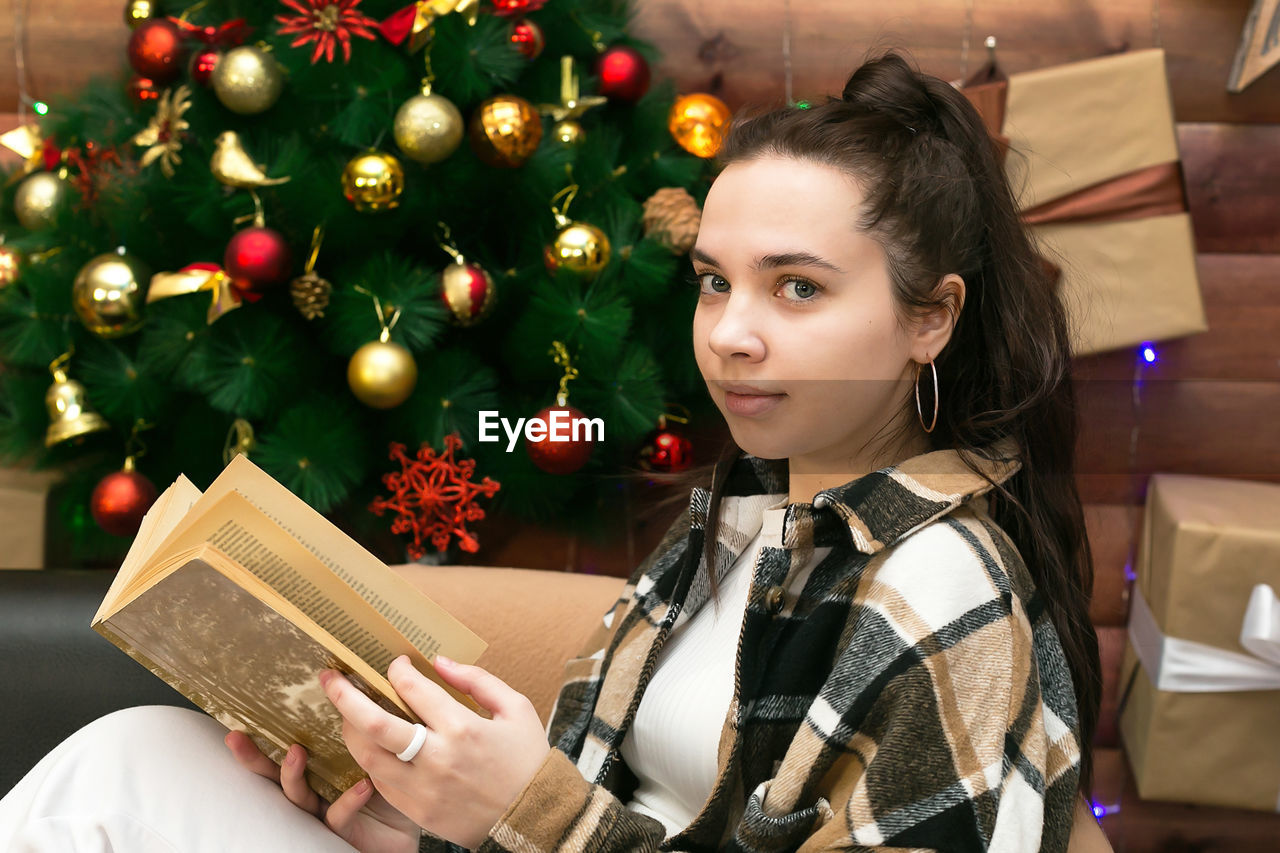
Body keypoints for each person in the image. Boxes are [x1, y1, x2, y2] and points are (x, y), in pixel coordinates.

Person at [0, 51, 1113, 852]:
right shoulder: (735, 526)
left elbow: (561, 816)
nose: (729, 331)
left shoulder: (938, 593)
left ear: (932, 317)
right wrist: (418, 821)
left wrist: (520, 805)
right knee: (138, 751)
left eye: (798, 287)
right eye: (715, 281)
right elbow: (598, 805)